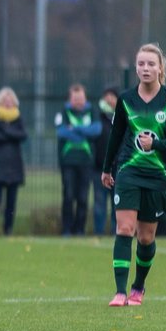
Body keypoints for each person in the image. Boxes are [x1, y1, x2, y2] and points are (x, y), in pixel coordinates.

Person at [99, 43, 166, 306]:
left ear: (160, 68)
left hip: (158, 175)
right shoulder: (125, 100)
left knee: (146, 237)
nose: (145, 68)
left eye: (151, 64)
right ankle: (119, 291)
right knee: (124, 228)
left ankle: (138, 286)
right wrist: (107, 169)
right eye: (141, 64)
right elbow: (115, 137)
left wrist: (159, 145)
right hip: (128, 170)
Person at [55, 83, 100, 236]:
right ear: (70, 99)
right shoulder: (64, 112)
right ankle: (67, 229)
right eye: (75, 98)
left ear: (85, 98)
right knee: (68, 196)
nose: (78, 101)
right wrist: (83, 133)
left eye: (81, 98)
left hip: (86, 162)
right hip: (68, 162)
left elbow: (96, 130)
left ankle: (79, 229)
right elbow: (61, 132)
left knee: (83, 197)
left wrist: (76, 129)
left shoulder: (92, 111)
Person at [0, 86, 26, 235]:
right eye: (5, 101)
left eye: (10, 101)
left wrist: (5, 130)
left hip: (14, 165)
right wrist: (10, 134)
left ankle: (8, 229)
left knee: (11, 201)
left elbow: (22, 135)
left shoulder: (18, 118)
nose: (8, 103)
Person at [91, 87, 119, 235]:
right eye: (106, 96)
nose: (109, 99)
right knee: (99, 202)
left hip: (117, 168)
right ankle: (99, 232)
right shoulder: (96, 116)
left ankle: (117, 231)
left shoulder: (121, 118)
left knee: (117, 202)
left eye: (112, 96)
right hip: (99, 167)